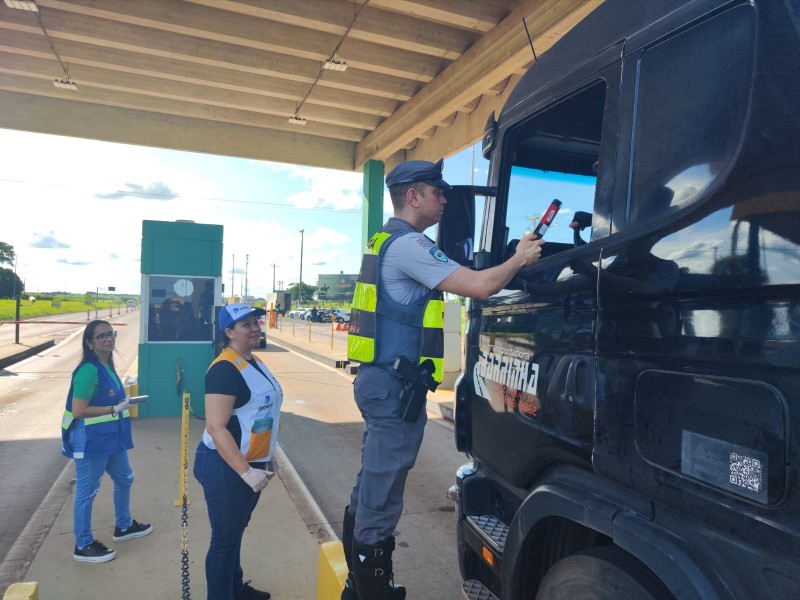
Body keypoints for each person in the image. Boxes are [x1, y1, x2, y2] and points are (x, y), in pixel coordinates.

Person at [342, 159, 544, 599]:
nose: (445, 199)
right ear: (413, 196)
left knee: (371, 486)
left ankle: (356, 588)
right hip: (395, 389)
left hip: (385, 383)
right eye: (438, 191)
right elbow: (481, 286)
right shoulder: (411, 245)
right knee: (382, 496)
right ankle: (370, 591)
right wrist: (521, 257)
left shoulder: (385, 241)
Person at [193, 303, 283, 600]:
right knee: (224, 540)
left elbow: (259, 416)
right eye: (246, 325)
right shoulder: (224, 370)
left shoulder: (252, 361)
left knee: (234, 533)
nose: (256, 327)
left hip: (251, 463)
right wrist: (246, 472)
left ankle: (234, 588)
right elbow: (216, 428)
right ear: (229, 332)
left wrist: (268, 456)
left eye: (256, 321)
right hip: (225, 467)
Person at [61, 320, 153, 563]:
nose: (108, 339)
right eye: (101, 336)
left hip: (111, 439)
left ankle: (123, 526)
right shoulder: (89, 370)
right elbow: (79, 410)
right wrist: (114, 408)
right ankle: (83, 545)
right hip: (91, 442)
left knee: (125, 478)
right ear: (90, 343)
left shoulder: (107, 365)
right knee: (87, 492)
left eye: (110, 334)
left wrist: (123, 405)